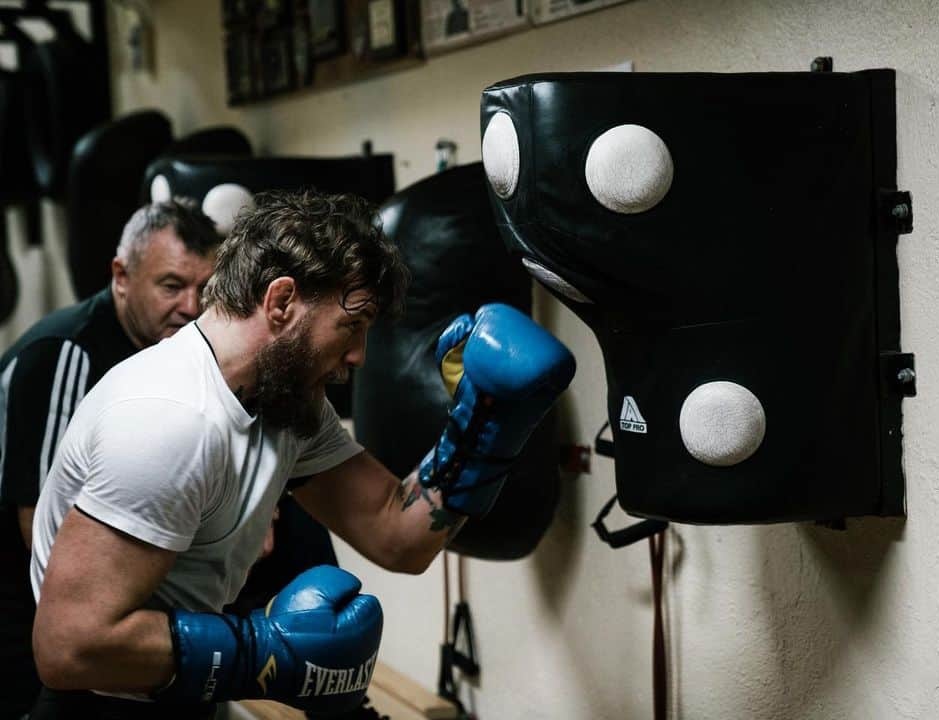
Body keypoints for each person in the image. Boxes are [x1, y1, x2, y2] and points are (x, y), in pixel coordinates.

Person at [28, 190, 575, 719]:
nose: (359, 355)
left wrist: (480, 429)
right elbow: (69, 646)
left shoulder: (284, 402)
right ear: (282, 301)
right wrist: (265, 652)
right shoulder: (170, 420)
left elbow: (395, 535)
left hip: (176, 698)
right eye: (352, 325)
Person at [0, 198, 220, 719]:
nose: (191, 306)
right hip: (23, 606)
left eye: (204, 290)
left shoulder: (178, 354)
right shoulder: (66, 354)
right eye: (171, 286)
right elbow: (44, 537)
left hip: (107, 599)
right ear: (122, 277)